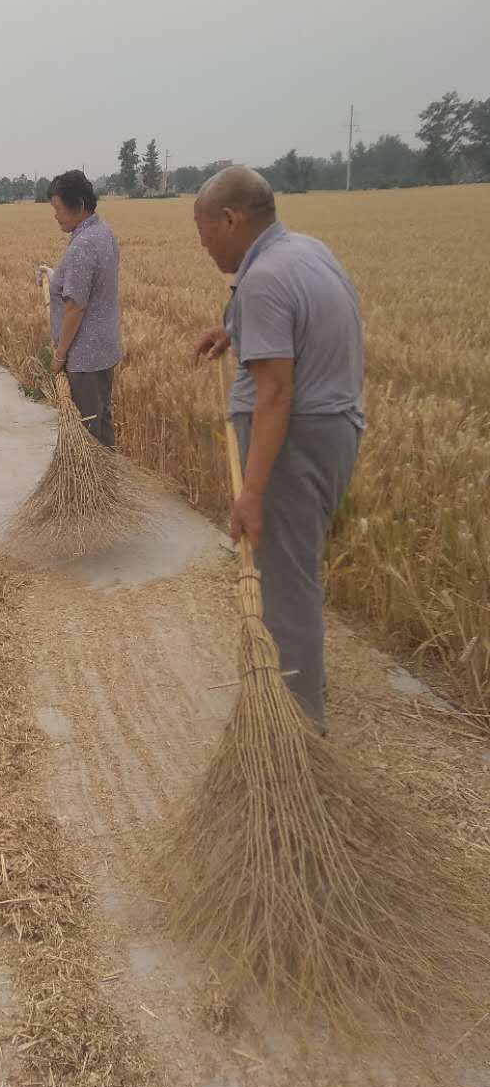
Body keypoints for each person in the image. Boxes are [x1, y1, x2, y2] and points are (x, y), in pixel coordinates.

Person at [193, 166, 365, 732]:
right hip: (332, 429)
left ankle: (295, 727)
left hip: (293, 441)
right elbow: (297, 327)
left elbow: (275, 392)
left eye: (204, 233)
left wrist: (253, 492)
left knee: (284, 583)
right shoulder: (306, 251)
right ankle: (302, 685)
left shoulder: (264, 277)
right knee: (296, 568)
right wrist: (234, 332)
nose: (204, 246)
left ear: (230, 219)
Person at [38, 170, 123, 447]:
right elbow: (91, 284)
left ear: (79, 205)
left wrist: (60, 355)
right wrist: (55, 278)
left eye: (59, 209)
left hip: (85, 354)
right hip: (104, 346)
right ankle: (109, 471)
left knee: (88, 430)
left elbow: (75, 307)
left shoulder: (83, 245)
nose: (56, 216)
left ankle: (94, 476)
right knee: (101, 419)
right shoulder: (103, 232)